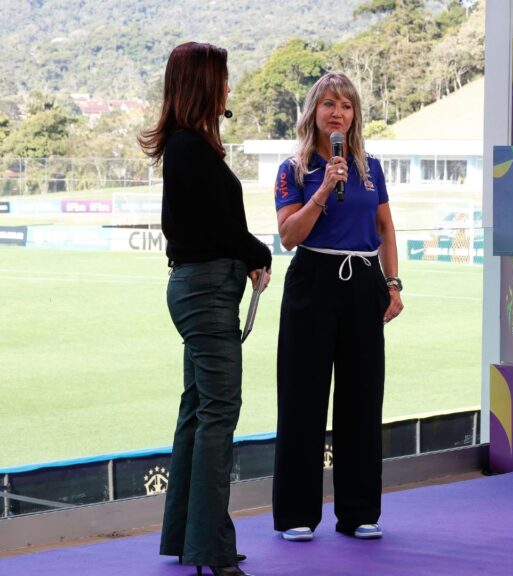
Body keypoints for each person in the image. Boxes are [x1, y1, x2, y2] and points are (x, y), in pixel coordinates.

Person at [139, 41, 271, 576]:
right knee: (217, 416)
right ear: (204, 85)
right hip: (206, 291)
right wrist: (258, 252)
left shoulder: (186, 146)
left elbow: (213, 228)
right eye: (223, 79)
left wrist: (247, 254)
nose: (228, 89)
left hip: (200, 288)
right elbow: (219, 230)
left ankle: (189, 539)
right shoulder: (191, 149)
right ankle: (210, 550)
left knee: (197, 412)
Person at [271, 72, 403, 542]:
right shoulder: (294, 168)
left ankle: (359, 512)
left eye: (346, 105)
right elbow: (288, 237)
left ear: (355, 114)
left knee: (362, 399)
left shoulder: (370, 166)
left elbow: (385, 228)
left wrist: (392, 284)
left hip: (364, 281)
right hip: (313, 282)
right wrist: (324, 190)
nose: (338, 113)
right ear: (313, 112)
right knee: (303, 401)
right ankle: (296, 516)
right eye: (329, 103)